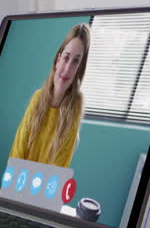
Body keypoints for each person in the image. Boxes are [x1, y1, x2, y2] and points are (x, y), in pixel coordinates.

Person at [8, 23, 90, 168]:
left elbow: (60, 165)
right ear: (58, 59)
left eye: (76, 61)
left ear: (80, 67)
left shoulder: (75, 106)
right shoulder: (37, 98)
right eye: (66, 58)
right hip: (17, 183)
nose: (67, 69)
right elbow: (18, 152)